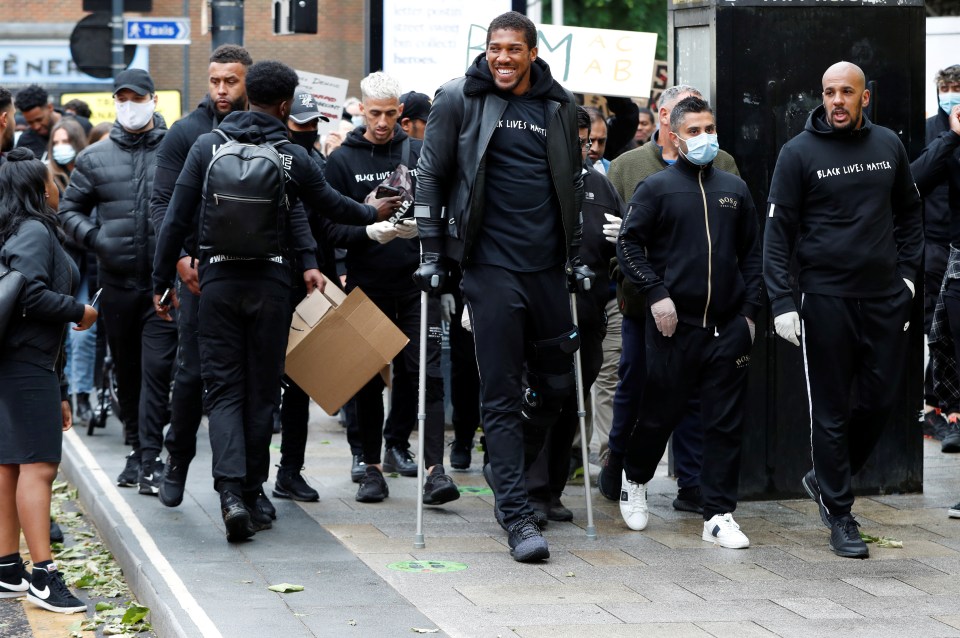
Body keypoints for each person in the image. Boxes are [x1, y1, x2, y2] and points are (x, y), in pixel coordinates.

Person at [152, 60, 395, 542]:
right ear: (285, 105)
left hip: (216, 282)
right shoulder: (290, 155)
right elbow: (331, 206)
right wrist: (373, 210)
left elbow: (175, 218)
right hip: (270, 286)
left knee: (222, 390)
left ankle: (230, 495)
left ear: (247, 97)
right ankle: (253, 488)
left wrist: (161, 283)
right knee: (263, 392)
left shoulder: (208, 145)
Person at [414, 11, 588, 562]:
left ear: (533, 52)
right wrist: (432, 253)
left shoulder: (560, 106)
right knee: (502, 392)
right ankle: (515, 515)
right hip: (489, 268)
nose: (503, 59)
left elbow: (571, 183)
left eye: (514, 49)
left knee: (558, 385)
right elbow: (431, 174)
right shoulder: (458, 98)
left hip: (546, 270)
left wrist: (577, 254)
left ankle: (502, 464)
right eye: (495, 49)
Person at [764, 61, 922, 559]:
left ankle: (824, 477)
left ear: (864, 98)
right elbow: (777, 234)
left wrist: (910, 279)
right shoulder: (798, 153)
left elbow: (910, 214)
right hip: (825, 298)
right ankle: (840, 513)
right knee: (830, 411)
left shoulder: (888, 145)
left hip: (884, 297)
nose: (836, 100)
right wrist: (782, 301)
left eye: (846, 92)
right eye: (829, 92)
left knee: (878, 402)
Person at [616, 96, 760, 549]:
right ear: (674, 137)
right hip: (674, 328)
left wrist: (750, 316)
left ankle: (718, 514)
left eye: (710, 128)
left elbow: (753, 255)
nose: (705, 138)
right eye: (695, 131)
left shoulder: (734, 190)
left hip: (728, 328)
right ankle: (634, 479)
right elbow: (628, 246)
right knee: (660, 415)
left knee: (723, 424)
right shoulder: (656, 188)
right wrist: (656, 294)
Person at [600, 85, 740, 513]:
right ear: (665, 118)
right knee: (638, 387)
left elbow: (735, 233)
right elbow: (618, 242)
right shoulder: (627, 167)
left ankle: (693, 485)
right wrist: (632, 278)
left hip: (701, 309)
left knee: (695, 397)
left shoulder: (725, 165)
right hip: (644, 305)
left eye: (707, 123)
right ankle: (619, 470)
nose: (701, 130)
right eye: (687, 115)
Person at [324, 71, 459, 506]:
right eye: (374, 113)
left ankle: (435, 469)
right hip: (367, 281)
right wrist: (366, 229)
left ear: (401, 111)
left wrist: (423, 229)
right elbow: (328, 227)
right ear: (361, 109)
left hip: (417, 282)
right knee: (365, 377)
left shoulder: (418, 151)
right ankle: (369, 465)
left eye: (390, 113)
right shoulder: (342, 161)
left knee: (426, 375)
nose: (382, 122)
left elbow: (445, 209)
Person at [58, 69, 176, 495]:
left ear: (153, 100)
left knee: (157, 370)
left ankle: (149, 457)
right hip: (118, 283)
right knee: (127, 372)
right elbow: (68, 212)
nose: (129, 106)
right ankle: (135, 448)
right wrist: (95, 237)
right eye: (121, 99)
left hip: (164, 285)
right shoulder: (94, 158)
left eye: (137, 98)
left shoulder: (175, 150)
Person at [149, 44, 256, 510]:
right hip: (198, 276)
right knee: (191, 376)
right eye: (215, 80)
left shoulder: (263, 130)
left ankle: (247, 488)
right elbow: (162, 207)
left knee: (251, 384)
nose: (221, 89)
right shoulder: (186, 132)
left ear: (247, 81)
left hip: (252, 279)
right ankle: (178, 459)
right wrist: (179, 262)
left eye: (230, 81)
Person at [0, 148, 97, 612]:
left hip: (17, 364)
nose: (59, 187)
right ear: (41, 190)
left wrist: (58, 389)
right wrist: (81, 310)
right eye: (53, 181)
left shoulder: (12, 229)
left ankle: (7, 567)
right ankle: (44, 575)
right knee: (38, 466)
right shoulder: (36, 230)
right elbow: (31, 294)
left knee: (9, 466)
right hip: (25, 364)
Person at [526, 106, 612, 522]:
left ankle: (554, 489)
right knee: (545, 399)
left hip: (590, 312)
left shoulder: (599, 183)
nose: (584, 150)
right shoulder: (534, 177)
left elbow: (614, 249)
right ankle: (532, 492)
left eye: (588, 142)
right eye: (575, 142)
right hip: (546, 312)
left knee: (572, 406)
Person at [912, 64, 960, 449]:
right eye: (946, 88)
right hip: (935, 245)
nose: (951, 95)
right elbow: (915, 180)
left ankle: (941, 405)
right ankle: (936, 409)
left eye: (957, 88)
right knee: (937, 329)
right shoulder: (928, 129)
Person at [47, 118, 95, 426]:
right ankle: (63, 394)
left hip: (85, 264)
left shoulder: (89, 175)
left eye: (66, 141)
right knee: (61, 335)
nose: (61, 148)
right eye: (56, 142)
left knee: (83, 336)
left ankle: (81, 394)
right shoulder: (46, 178)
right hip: (58, 265)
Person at [14, 85, 90, 159]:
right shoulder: (25, 141)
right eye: (30, 122)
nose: (36, 126)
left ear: (50, 107)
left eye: (39, 120)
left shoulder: (82, 126)